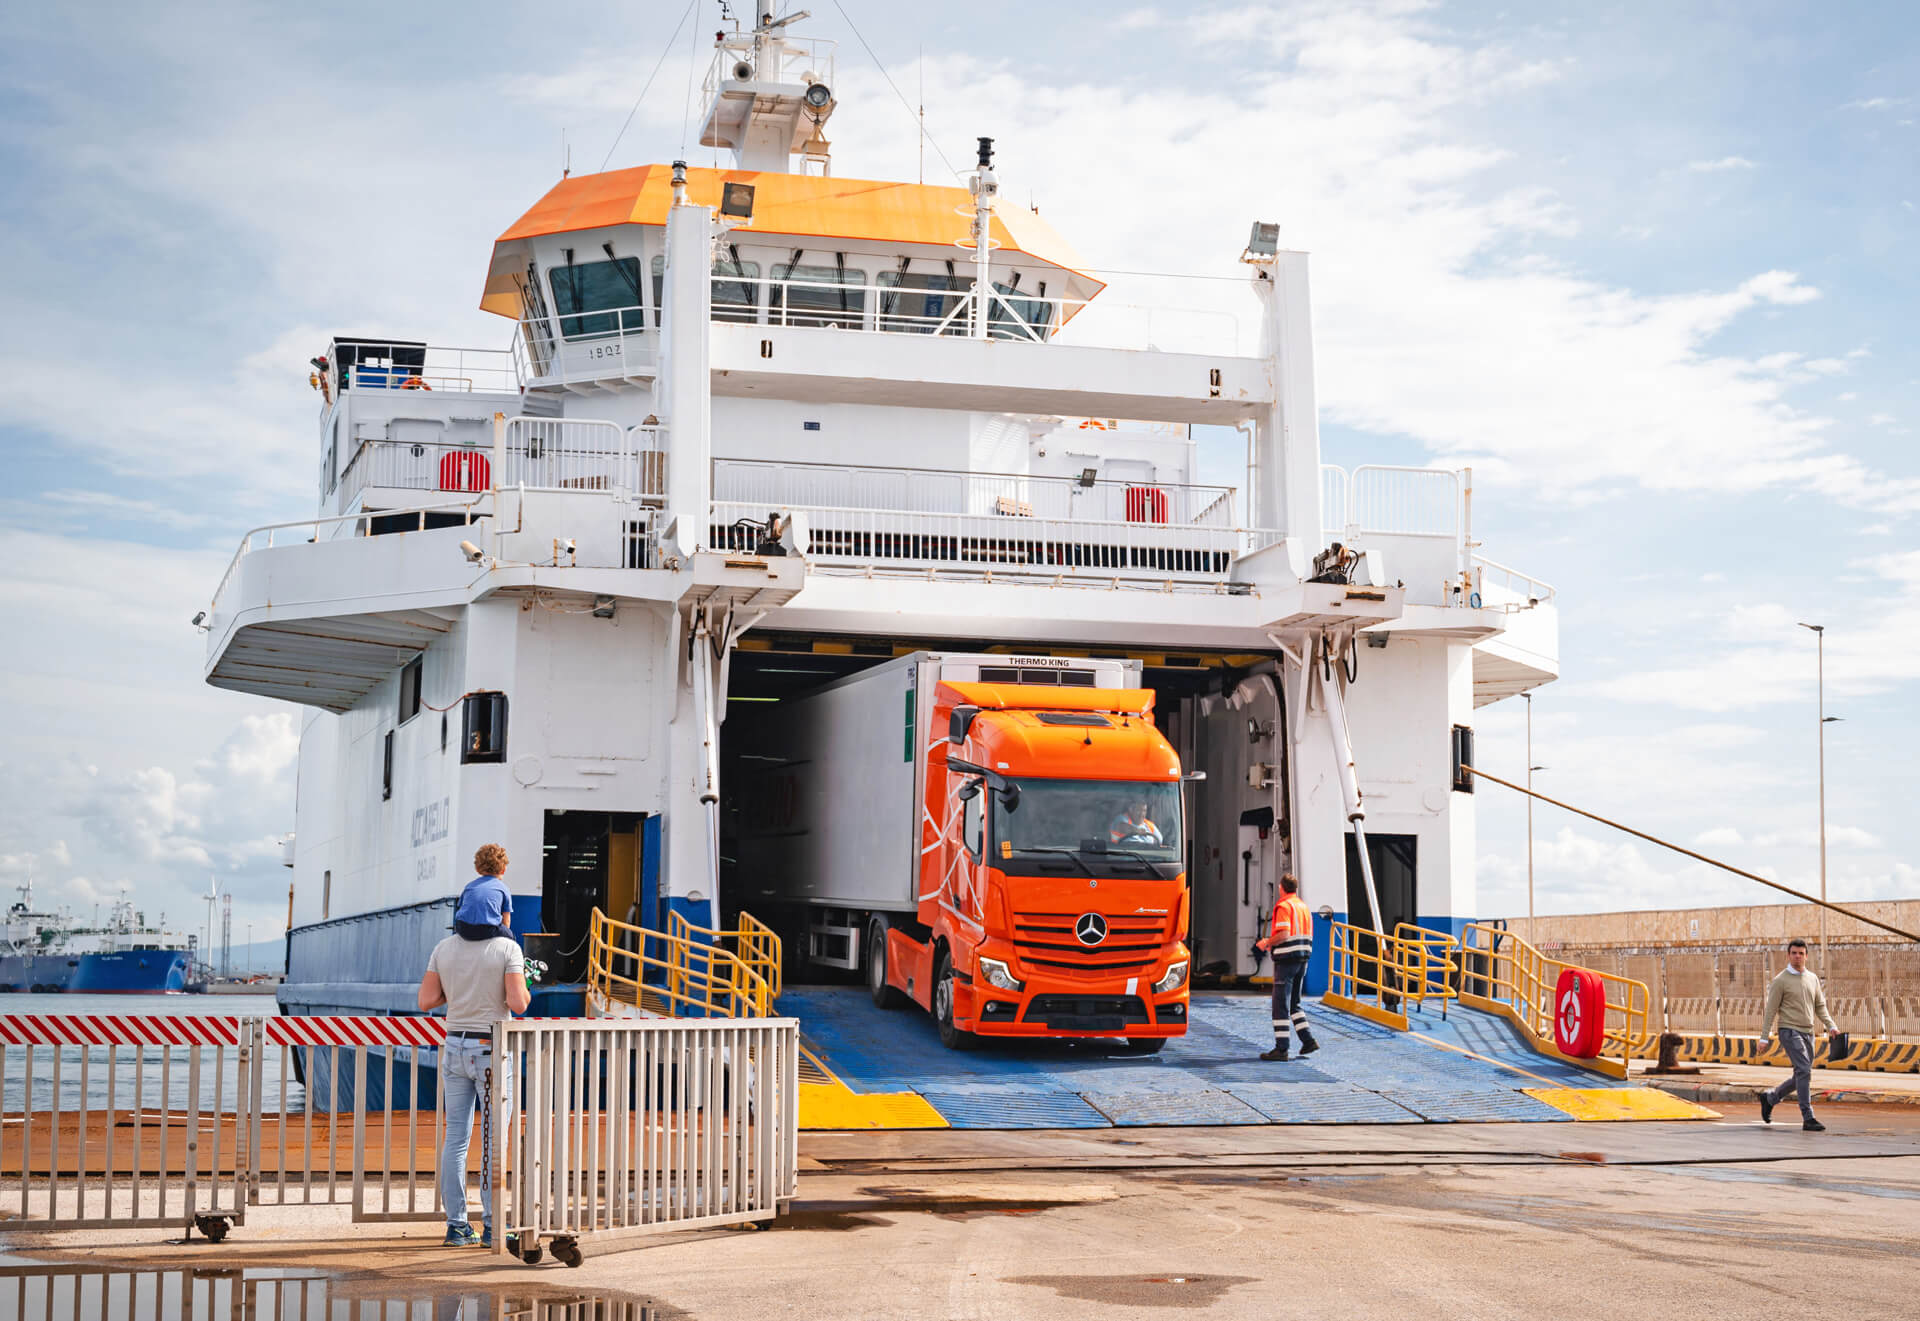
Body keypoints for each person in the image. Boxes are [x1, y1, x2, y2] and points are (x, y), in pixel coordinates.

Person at [418, 843, 532, 1247]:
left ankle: (456, 1226)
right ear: (501, 911)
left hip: (453, 1048)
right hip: (490, 1050)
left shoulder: (443, 949)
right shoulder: (507, 949)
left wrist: (461, 991)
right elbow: (518, 1003)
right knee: (493, 1138)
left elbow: (426, 1001)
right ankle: (492, 1227)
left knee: (456, 1140)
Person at [1758, 937, 1840, 1132]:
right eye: (1793, 953)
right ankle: (1808, 1117)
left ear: (1806, 956)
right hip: (1789, 1030)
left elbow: (1820, 1006)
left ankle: (1770, 1098)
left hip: (1808, 1032)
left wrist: (1831, 1026)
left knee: (1802, 1074)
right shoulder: (1780, 981)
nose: (1797, 957)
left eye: (1801, 953)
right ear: (1788, 955)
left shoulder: (1812, 979)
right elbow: (1770, 1010)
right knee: (1804, 1070)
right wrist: (1764, 1037)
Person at [1255, 873, 1318, 1061]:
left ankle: (1281, 1049)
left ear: (1281, 888)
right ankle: (1308, 1041)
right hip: (1303, 959)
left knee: (1279, 1005)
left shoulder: (1284, 906)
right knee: (1294, 1004)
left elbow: (1283, 933)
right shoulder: (1303, 907)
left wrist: (1266, 942)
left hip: (1287, 959)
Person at [454, 844, 514, 940]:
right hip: (488, 930)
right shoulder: (503, 889)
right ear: (503, 870)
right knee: (510, 936)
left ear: (478, 869)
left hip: (464, 928)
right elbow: (506, 918)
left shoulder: (469, 887)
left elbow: (462, 908)